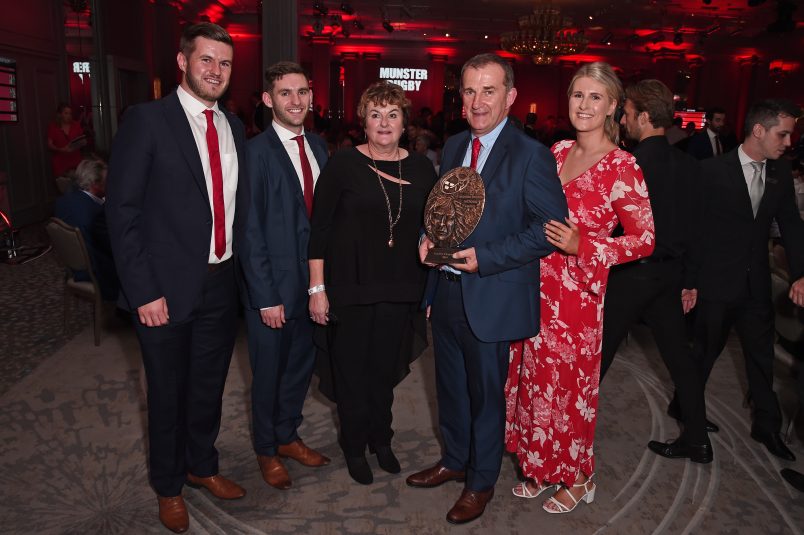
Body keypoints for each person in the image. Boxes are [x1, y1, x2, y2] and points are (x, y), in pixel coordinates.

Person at [408, 53, 568, 524]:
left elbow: (549, 229)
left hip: (492, 293)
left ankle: (480, 482)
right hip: (448, 289)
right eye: (470, 91)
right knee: (450, 387)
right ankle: (454, 460)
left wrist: (487, 259)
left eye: (489, 90)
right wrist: (426, 238)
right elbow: (444, 211)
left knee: (485, 394)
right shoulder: (455, 144)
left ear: (511, 97)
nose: (478, 101)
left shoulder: (531, 154)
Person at [105, 23, 249, 534]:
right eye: (207, 60)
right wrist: (143, 290)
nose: (216, 70)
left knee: (209, 386)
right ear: (183, 62)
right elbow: (122, 214)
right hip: (163, 288)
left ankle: (201, 465)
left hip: (220, 281)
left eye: (225, 63)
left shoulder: (233, 126)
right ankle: (168, 485)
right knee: (167, 390)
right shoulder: (147, 121)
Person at [505, 62, 655, 513]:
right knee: (531, 380)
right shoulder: (556, 151)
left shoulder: (623, 166)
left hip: (577, 297)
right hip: (533, 285)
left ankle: (579, 475)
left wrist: (585, 244)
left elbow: (644, 241)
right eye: (577, 95)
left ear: (612, 106)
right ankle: (539, 466)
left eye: (595, 97)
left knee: (568, 389)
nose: (584, 105)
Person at [308, 81, 437, 485]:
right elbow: (320, 230)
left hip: (402, 288)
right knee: (352, 372)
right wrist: (317, 288)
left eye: (393, 114)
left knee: (383, 371)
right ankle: (353, 445)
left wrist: (433, 278)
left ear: (405, 124)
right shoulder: (342, 165)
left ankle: (382, 439)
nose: (384, 123)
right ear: (363, 122)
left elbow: (431, 229)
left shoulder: (420, 167)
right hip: (350, 286)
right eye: (376, 114)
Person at [679, 99, 804, 461]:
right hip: (715, 282)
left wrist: (800, 272)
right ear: (759, 130)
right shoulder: (710, 171)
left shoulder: (780, 173)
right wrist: (690, 282)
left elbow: (792, 227)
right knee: (704, 355)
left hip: (756, 287)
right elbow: (693, 233)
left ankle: (767, 425)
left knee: (761, 358)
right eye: (782, 134)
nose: (787, 142)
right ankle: (686, 413)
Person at [597, 79, 711, 463]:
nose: (624, 121)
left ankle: (565, 438)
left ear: (644, 117)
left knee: (596, 357)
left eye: (627, 114)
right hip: (671, 276)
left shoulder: (631, 164)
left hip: (630, 275)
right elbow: (698, 230)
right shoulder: (691, 165)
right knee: (680, 358)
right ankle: (697, 439)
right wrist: (690, 280)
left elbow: (614, 226)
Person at [239, 61, 331, 492]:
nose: (296, 101)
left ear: (311, 95)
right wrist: (264, 295)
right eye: (285, 93)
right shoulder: (254, 153)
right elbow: (249, 229)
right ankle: (266, 449)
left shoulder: (319, 145)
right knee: (269, 375)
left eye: (302, 92)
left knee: (299, 368)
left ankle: (288, 434)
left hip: (312, 286)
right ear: (268, 99)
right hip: (272, 291)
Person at [54, 158, 118, 301]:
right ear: (95, 184)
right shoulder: (96, 213)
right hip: (96, 271)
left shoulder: (62, 202)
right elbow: (112, 246)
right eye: (107, 180)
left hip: (74, 267)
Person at [47, 103, 85, 180]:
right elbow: (49, 144)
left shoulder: (76, 125)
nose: (69, 116)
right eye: (66, 113)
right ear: (60, 114)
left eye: (70, 113)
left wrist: (79, 144)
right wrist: (60, 149)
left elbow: (82, 140)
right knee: (63, 186)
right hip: (61, 162)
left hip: (75, 160)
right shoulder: (53, 127)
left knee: (78, 184)